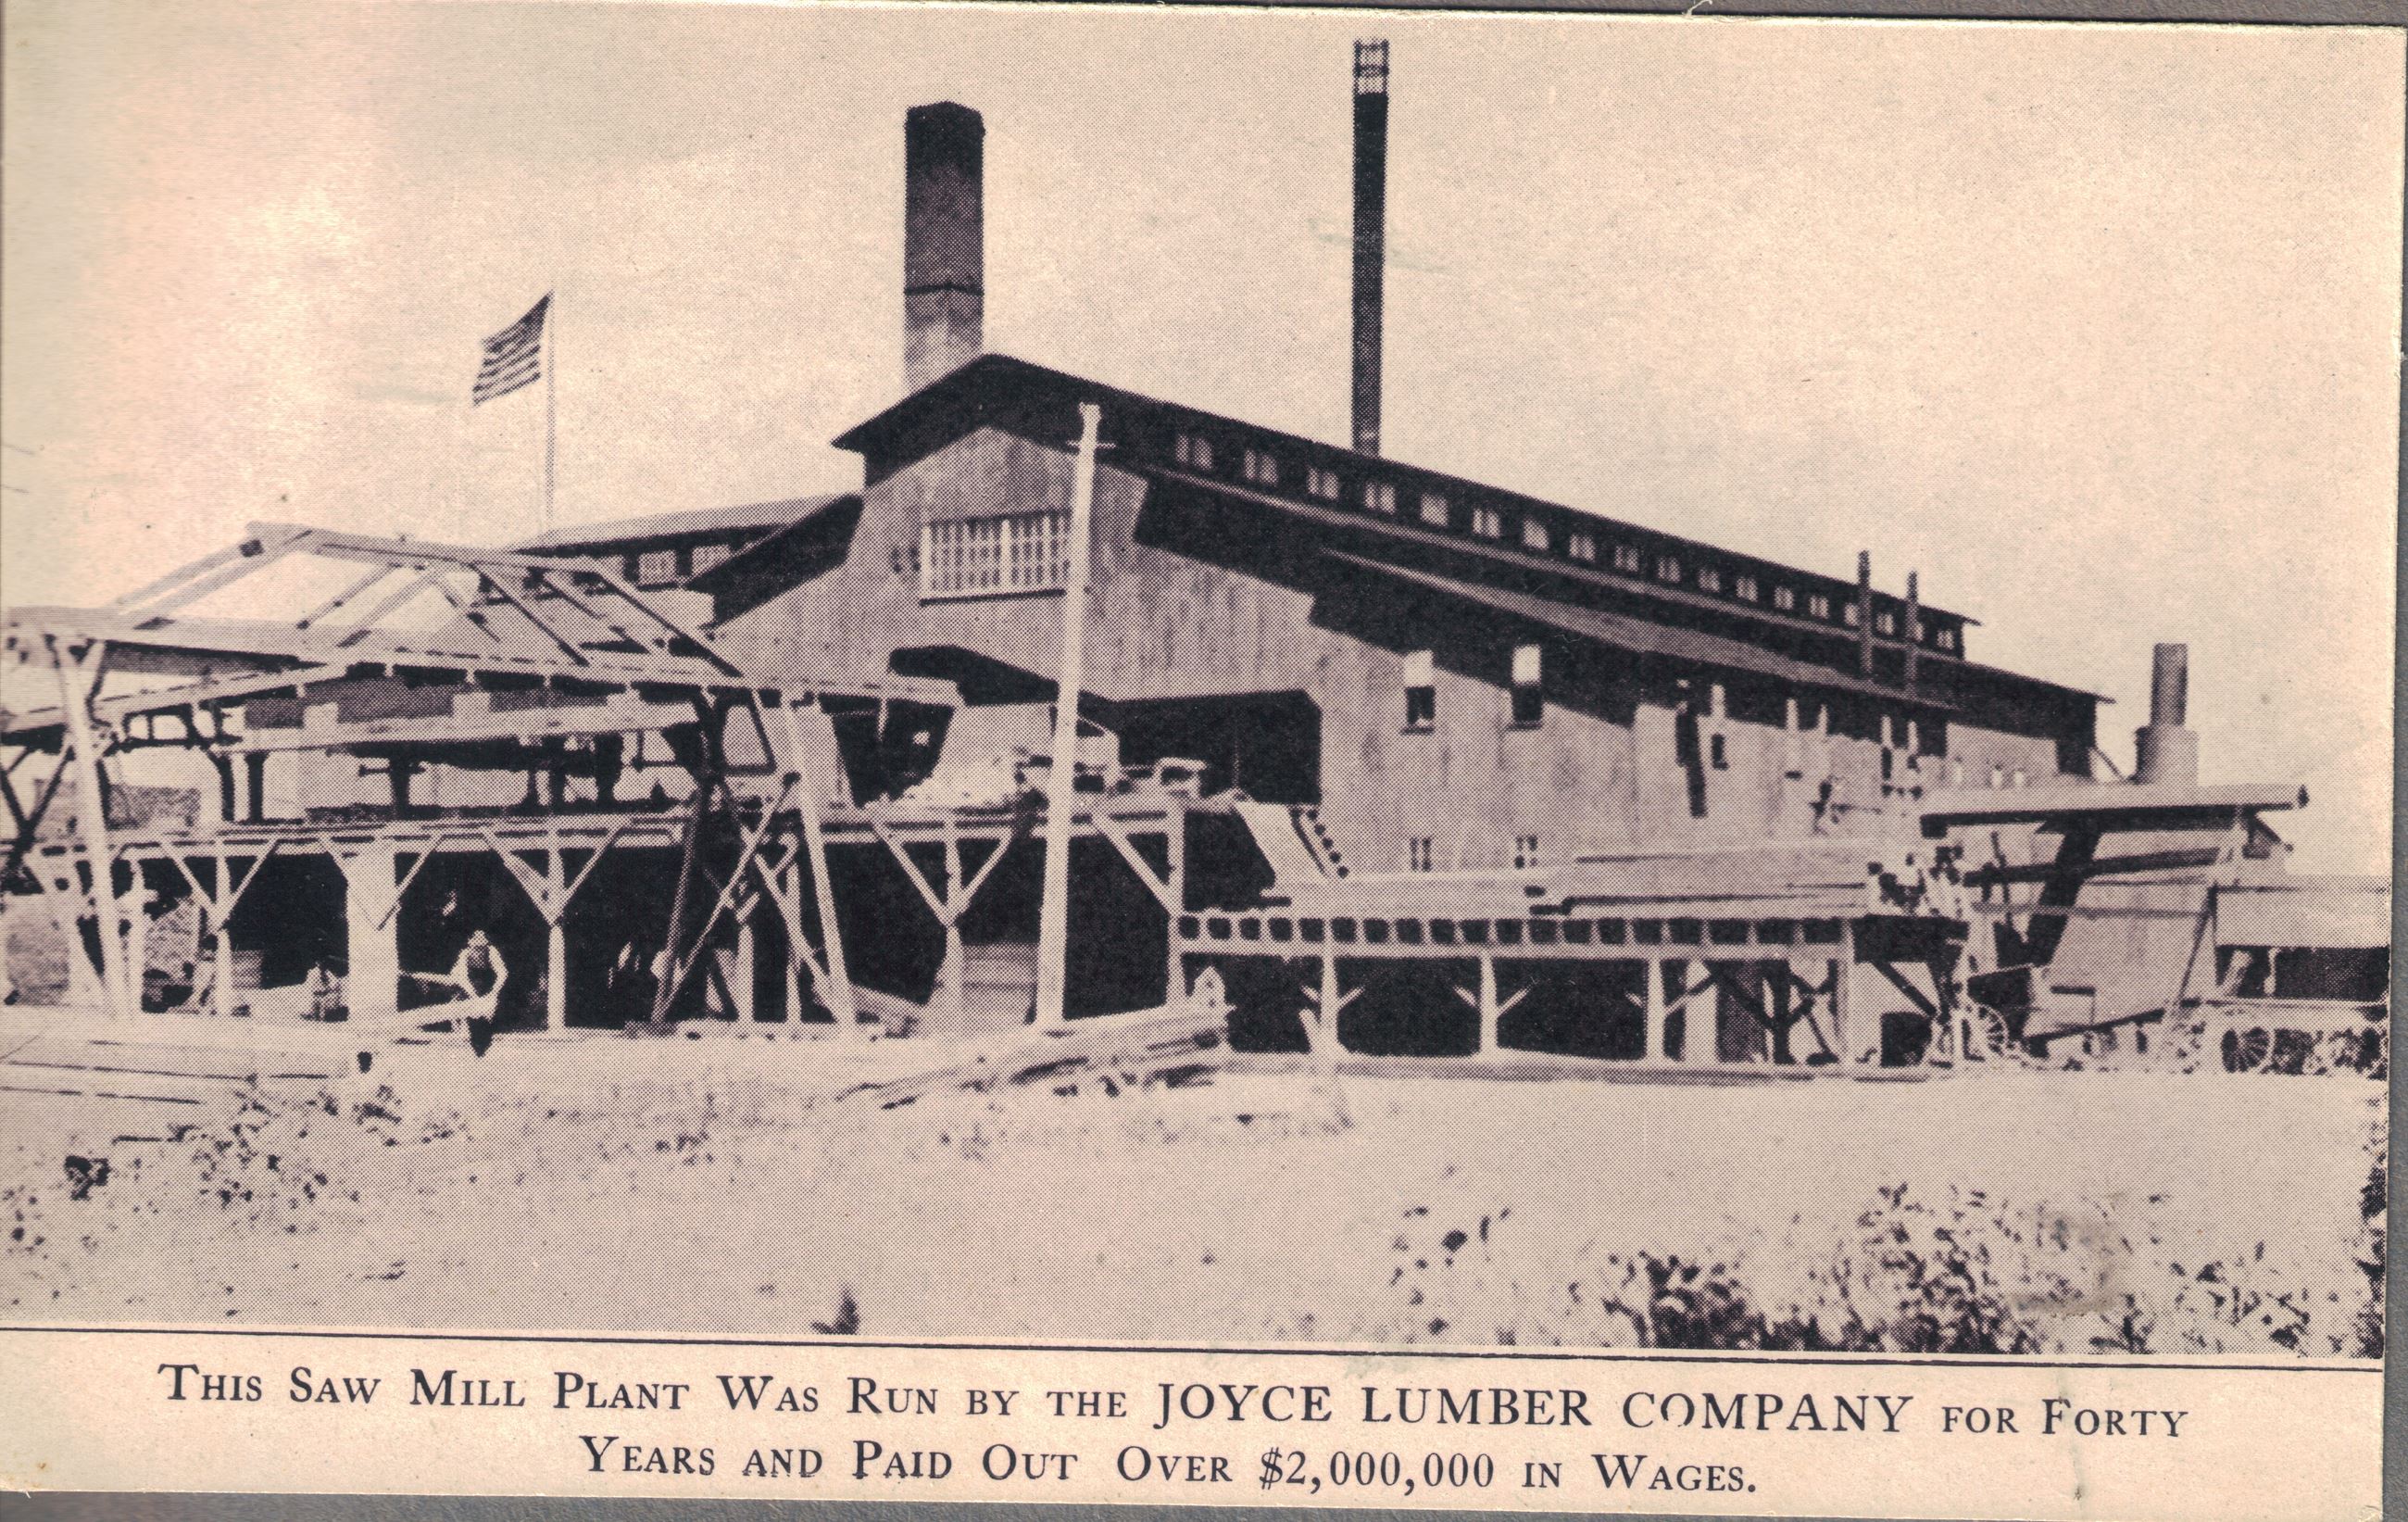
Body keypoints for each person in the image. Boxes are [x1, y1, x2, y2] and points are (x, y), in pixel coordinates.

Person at [444, 928, 508, 1057]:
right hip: (466, 987)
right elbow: (462, 978)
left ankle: (483, 1043)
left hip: (487, 986)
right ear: (470, 941)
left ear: (486, 941)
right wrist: (473, 996)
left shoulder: (492, 952)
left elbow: (502, 973)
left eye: (482, 939)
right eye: (476, 939)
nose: (479, 943)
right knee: (472, 1017)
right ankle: (469, 1038)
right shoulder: (465, 954)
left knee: (485, 1018)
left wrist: (494, 992)